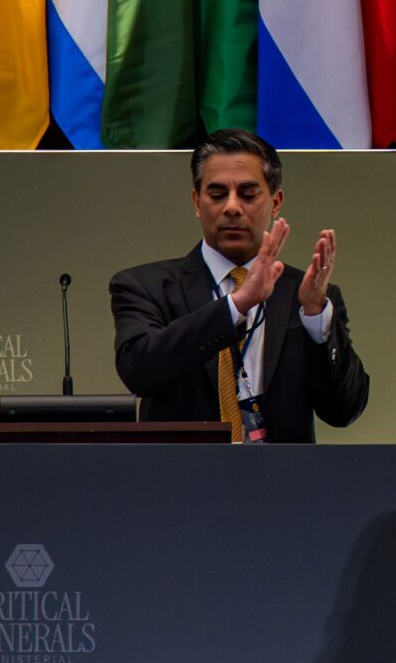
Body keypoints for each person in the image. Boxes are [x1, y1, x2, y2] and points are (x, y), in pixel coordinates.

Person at [111, 129, 370, 442]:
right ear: (197, 202)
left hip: (281, 473)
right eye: (217, 194)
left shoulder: (307, 296)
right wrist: (237, 304)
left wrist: (315, 316)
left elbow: (344, 410)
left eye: (248, 194)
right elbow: (139, 372)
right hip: (182, 471)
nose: (232, 207)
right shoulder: (145, 287)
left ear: (276, 202)